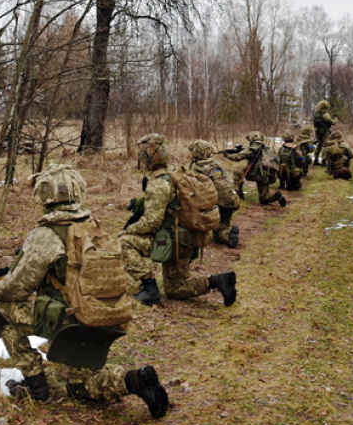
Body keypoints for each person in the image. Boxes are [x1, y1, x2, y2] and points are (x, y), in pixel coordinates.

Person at [0, 164, 169, 417]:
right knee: (81, 387)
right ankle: (135, 381)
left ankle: (36, 387)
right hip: (107, 317)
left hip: (75, 321)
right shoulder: (92, 225)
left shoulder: (47, 234)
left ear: (45, 195)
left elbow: (17, 289)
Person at [120, 134, 237, 307]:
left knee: (124, 242)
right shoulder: (172, 175)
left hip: (174, 241)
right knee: (175, 288)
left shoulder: (158, 182)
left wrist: (128, 230)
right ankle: (218, 281)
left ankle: (149, 289)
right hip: (186, 238)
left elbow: (152, 222)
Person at [188, 139, 241, 248]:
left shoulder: (197, 168)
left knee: (215, 233)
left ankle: (220, 235)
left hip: (215, 205)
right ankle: (228, 234)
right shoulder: (218, 165)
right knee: (222, 225)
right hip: (231, 200)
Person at [222, 131, 286, 207]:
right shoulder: (268, 148)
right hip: (266, 176)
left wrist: (227, 155)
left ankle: (239, 194)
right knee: (263, 198)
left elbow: (238, 157)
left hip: (256, 174)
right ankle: (276, 195)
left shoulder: (253, 148)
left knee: (237, 172)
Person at [312, 101, 338, 165]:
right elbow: (332, 122)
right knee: (325, 146)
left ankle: (316, 159)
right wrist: (335, 118)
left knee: (319, 145)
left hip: (318, 132)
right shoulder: (325, 115)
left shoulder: (316, 113)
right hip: (325, 132)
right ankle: (323, 160)